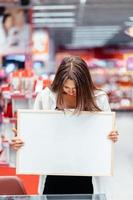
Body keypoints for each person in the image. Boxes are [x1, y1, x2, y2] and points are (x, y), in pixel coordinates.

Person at [10, 56, 118, 196]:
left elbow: (106, 134)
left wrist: (111, 136)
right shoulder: (46, 97)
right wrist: (22, 142)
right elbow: (36, 134)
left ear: (84, 84)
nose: (71, 92)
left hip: (87, 171)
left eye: (75, 88)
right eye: (66, 87)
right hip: (53, 171)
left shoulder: (98, 98)